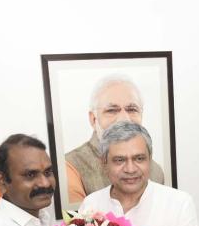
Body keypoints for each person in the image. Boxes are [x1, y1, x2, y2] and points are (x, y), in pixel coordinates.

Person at [65, 75, 165, 203]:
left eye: (132, 109)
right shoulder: (70, 167)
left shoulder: (156, 171)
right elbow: (78, 221)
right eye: (112, 110)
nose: (124, 118)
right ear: (93, 119)